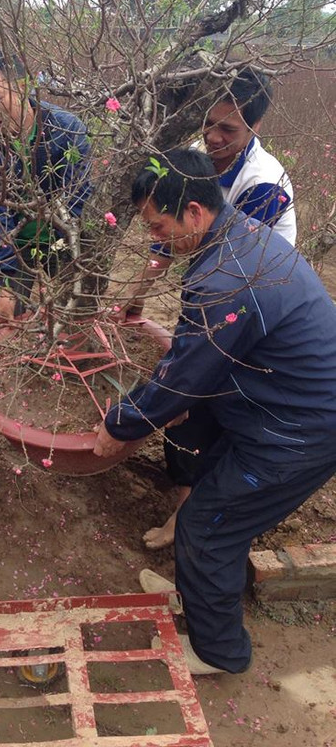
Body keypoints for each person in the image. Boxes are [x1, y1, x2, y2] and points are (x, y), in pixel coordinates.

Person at [94, 149, 336, 675]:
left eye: (159, 225)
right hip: (279, 407)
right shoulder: (238, 239)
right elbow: (201, 353)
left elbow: (184, 375)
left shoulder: (228, 278)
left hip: (298, 433)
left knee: (207, 526)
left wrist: (120, 425)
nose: (156, 238)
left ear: (196, 213)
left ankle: (218, 654)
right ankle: (193, 597)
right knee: (209, 503)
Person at [119, 67, 297, 549]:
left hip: (253, 308)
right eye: (210, 123)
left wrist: (132, 419)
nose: (214, 138)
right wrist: (135, 295)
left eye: (229, 130)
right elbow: (169, 228)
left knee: (205, 402)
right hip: (218, 290)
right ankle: (183, 494)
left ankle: (192, 520)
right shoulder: (199, 160)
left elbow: (230, 278)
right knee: (186, 399)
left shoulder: (264, 184)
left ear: (255, 128)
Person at [0, 49, 92, 323]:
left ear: (23, 89)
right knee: (3, 316)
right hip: (14, 244)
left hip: (61, 240)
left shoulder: (67, 131)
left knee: (75, 311)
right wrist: (7, 283)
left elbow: (77, 199)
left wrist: (59, 249)